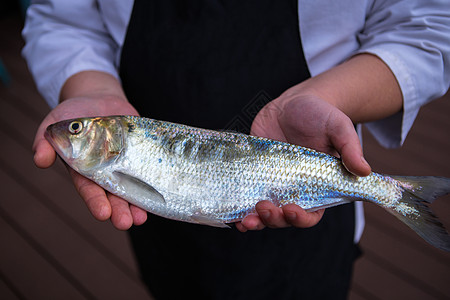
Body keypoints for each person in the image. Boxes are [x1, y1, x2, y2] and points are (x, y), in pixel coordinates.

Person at [23, 1, 450, 299]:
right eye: (78, 130)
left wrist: (331, 95)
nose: (71, 134)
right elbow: (61, 20)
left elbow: (429, 29)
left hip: (305, 240)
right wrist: (90, 86)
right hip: (166, 237)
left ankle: (395, 194)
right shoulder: (117, 154)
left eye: (77, 130)